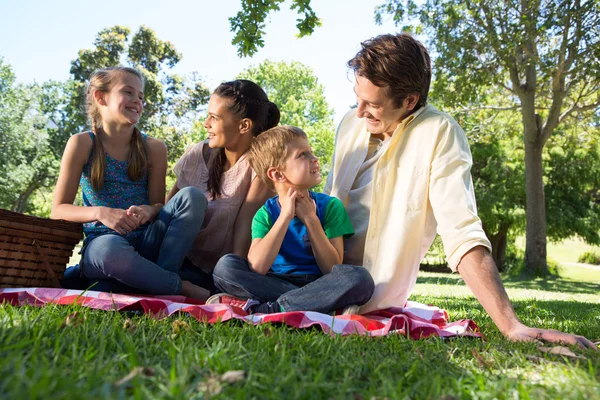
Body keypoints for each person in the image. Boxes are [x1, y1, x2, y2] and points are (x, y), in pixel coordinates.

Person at [324, 33, 596, 348]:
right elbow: (327, 205)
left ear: (409, 100)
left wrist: (511, 325)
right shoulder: (349, 124)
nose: (359, 113)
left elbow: (461, 232)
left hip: (363, 289)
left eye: (372, 104)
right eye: (357, 98)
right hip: (317, 267)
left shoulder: (438, 133)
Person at [52, 66, 208, 299]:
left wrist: (148, 210)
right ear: (100, 97)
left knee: (192, 197)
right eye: (128, 92)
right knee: (108, 252)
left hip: (148, 245)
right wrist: (102, 213)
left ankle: (151, 280)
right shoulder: (82, 144)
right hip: (104, 246)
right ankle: (177, 286)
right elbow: (58, 210)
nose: (137, 101)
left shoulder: (154, 148)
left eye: (141, 96)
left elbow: (158, 205)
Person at [207, 126, 374, 314]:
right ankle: (314, 303)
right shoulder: (265, 214)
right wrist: (285, 216)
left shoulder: (330, 207)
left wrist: (311, 219)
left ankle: (271, 308)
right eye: (303, 155)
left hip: (319, 282)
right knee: (225, 267)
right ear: (277, 174)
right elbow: (258, 267)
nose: (315, 158)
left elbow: (331, 268)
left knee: (359, 278)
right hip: (273, 281)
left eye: (311, 152)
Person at [166, 80, 280, 292]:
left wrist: (232, 280)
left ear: (244, 125)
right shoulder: (198, 153)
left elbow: (245, 227)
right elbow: (169, 209)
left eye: (214, 118)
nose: (206, 124)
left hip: (213, 272)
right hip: (172, 257)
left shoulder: (260, 166)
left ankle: (193, 289)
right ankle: (166, 280)